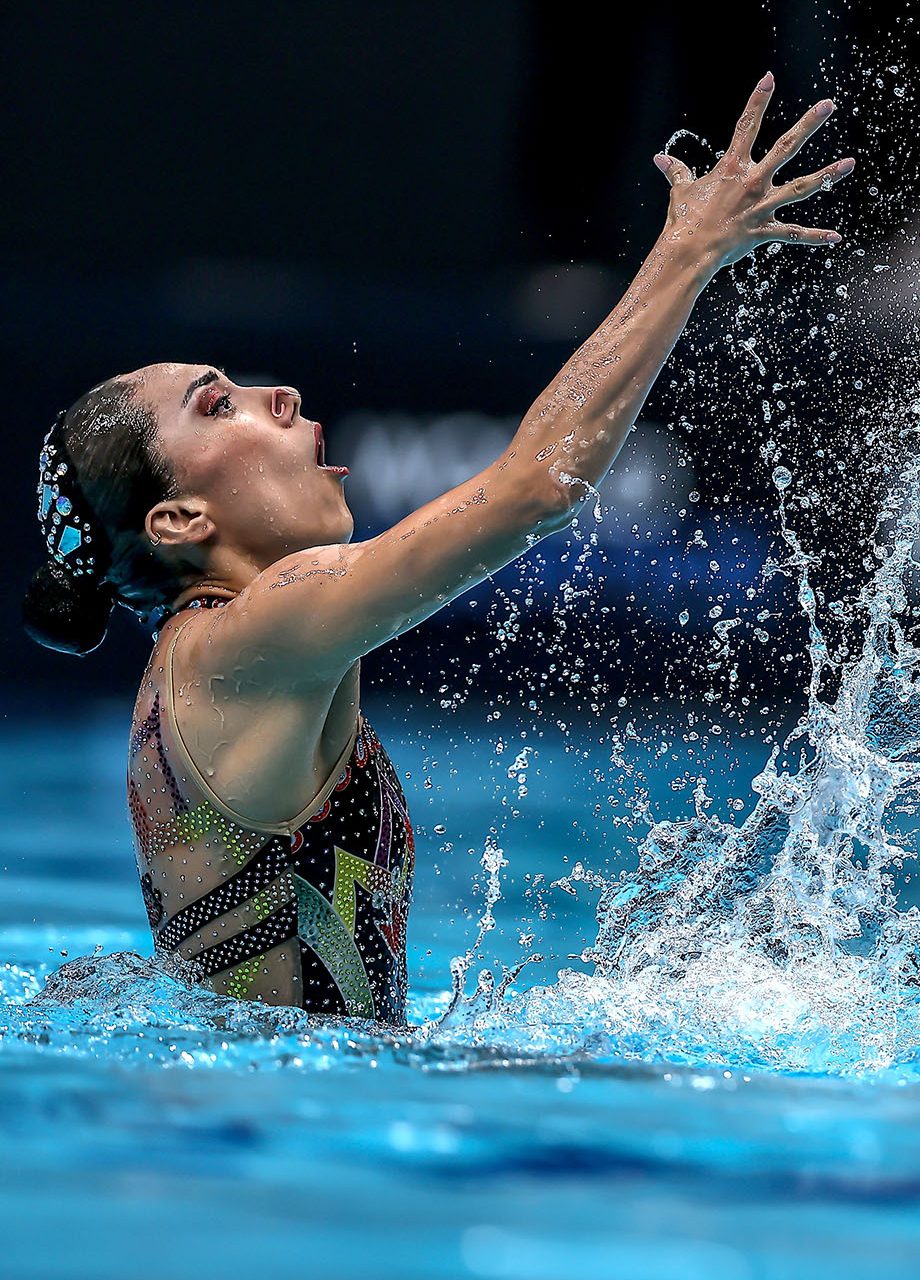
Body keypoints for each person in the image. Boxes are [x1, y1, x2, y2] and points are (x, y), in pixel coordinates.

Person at [25, 76, 854, 1025]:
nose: (279, 397)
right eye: (220, 405)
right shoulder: (252, 636)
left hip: (274, 1111)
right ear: (175, 522)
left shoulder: (213, 664)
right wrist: (686, 253)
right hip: (296, 1122)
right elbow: (535, 489)